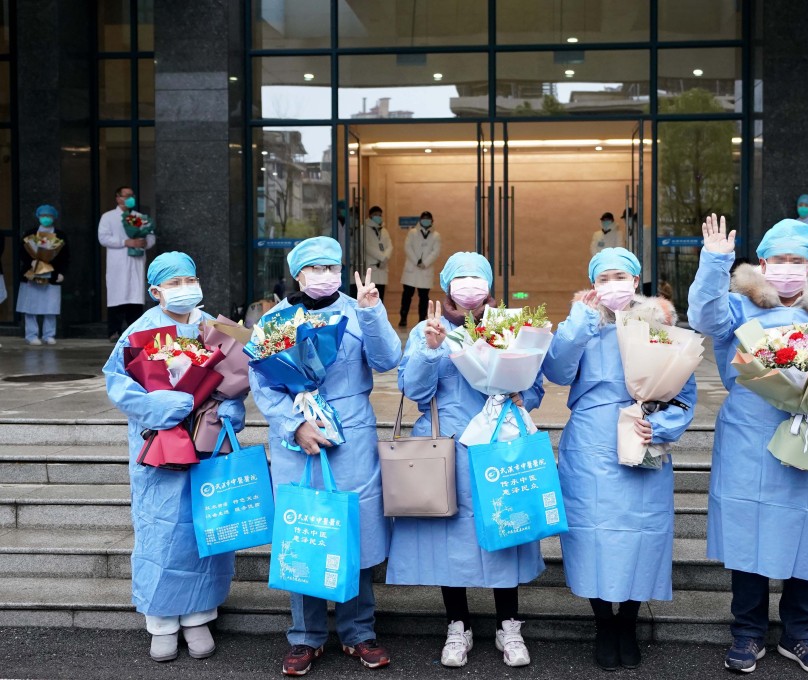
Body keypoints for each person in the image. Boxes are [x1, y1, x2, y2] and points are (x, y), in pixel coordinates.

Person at [688, 216, 808, 676]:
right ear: (763, 262)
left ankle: (801, 634)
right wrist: (714, 262)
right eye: (778, 260)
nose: (787, 268)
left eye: (797, 260)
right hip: (750, 437)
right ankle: (747, 633)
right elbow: (702, 316)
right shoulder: (736, 308)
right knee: (749, 531)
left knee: (805, 532)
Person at [249, 236, 402, 676]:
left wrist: (373, 311)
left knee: (353, 530)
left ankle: (359, 632)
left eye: (331, 267)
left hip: (351, 435)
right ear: (298, 274)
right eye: (314, 268)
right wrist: (294, 425)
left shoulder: (359, 310)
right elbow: (263, 386)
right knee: (306, 529)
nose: (324, 275)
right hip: (298, 438)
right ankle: (306, 636)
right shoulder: (276, 319)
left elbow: (388, 359)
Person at [542, 247, 697, 672]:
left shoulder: (658, 324)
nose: (613, 284)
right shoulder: (581, 325)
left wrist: (660, 428)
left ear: (636, 279)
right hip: (590, 443)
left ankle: (627, 621)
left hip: (642, 437)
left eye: (620, 276)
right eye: (604, 277)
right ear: (594, 283)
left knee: (640, 533)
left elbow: (684, 393)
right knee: (592, 533)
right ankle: (602, 624)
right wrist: (578, 322)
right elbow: (555, 372)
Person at [388, 252, 545, 668]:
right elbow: (415, 391)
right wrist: (432, 350)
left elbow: (536, 387)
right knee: (450, 539)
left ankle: (508, 624)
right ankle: (458, 626)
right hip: (447, 446)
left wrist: (521, 394)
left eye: (477, 278)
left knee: (505, 528)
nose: (470, 287)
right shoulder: (428, 328)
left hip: (499, 445)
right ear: (447, 286)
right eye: (461, 279)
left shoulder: (509, 327)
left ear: (490, 285)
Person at [103, 252, 246, 663]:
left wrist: (230, 409)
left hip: (206, 440)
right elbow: (117, 381)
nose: (185, 287)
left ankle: (200, 615)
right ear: (155, 290)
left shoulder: (213, 327)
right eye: (175, 281)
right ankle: (161, 622)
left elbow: (237, 375)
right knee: (161, 531)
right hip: (159, 445)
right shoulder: (140, 330)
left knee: (207, 525)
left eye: (191, 279)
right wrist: (157, 405)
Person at [99, 186, 155, 342]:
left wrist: (144, 242)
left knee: (135, 297)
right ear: (118, 198)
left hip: (136, 262)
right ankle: (114, 331)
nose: (130, 198)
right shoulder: (108, 217)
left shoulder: (141, 217)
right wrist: (126, 242)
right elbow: (103, 238)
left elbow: (151, 237)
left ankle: (135, 331)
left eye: (132, 195)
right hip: (118, 263)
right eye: (126, 195)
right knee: (117, 296)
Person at [17, 204, 68, 345]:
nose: (46, 219)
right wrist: (31, 262)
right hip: (31, 274)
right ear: (38, 217)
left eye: (49, 216)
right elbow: (21, 251)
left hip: (52, 274)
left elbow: (65, 256)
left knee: (50, 306)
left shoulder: (60, 236)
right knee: (30, 306)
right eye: (43, 216)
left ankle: (49, 334)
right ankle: (31, 334)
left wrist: (61, 272)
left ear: (54, 217)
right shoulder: (30, 234)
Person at [399, 210, 441, 327]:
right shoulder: (412, 232)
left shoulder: (436, 235)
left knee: (424, 297)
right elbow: (407, 247)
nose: (426, 220)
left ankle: (422, 319)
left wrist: (425, 263)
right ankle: (403, 318)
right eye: (424, 218)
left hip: (425, 270)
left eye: (428, 218)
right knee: (407, 295)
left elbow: (436, 251)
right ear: (420, 220)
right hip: (412, 268)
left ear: (432, 221)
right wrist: (416, 260)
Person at [364, 205, 394, 302]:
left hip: (382, 267)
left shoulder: (384, 230)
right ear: (370, 215)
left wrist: (385, 258)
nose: (378, 217)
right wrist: (382, 257)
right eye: (376, 214)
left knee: (381, 297)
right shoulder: (364, 229)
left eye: (380, 215)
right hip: (371, 266)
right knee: (370, 296)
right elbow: (367, 246)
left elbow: (389, 246)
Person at [622, 208, 654, 296]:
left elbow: (650, 250)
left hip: (646, 273)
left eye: (627, 218)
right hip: (634, 274)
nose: (626, 221)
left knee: (646, 298)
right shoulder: (629, 233)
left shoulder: (645, 230)